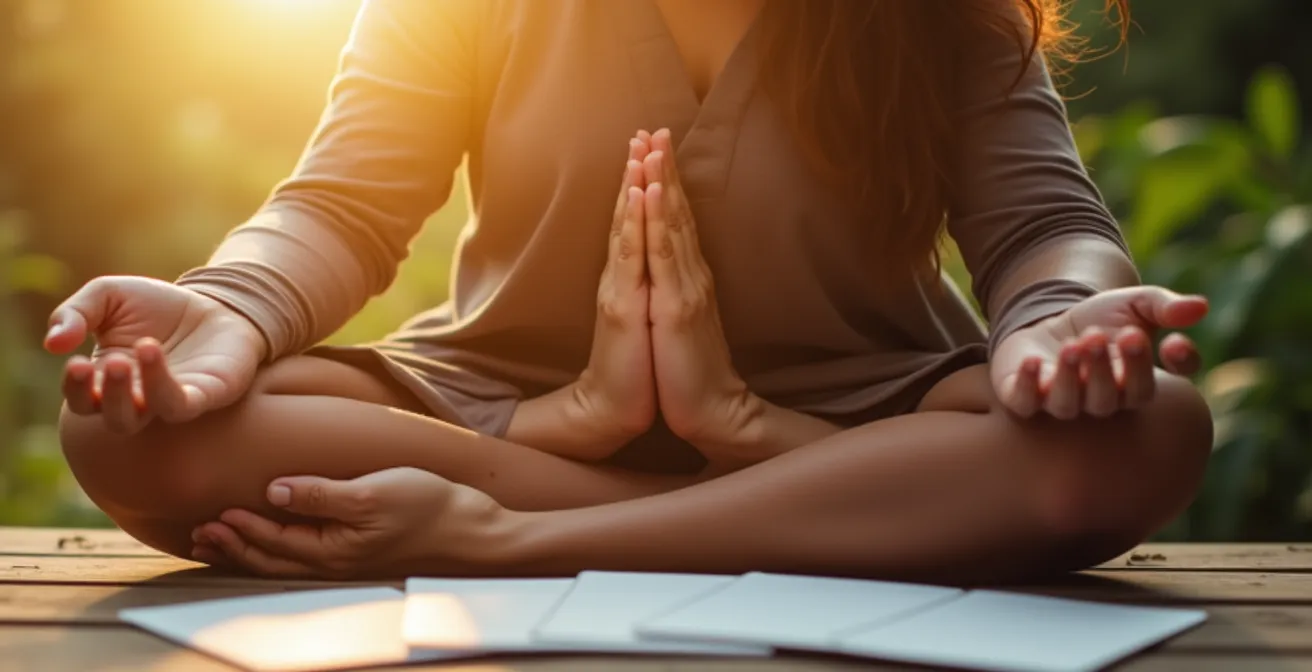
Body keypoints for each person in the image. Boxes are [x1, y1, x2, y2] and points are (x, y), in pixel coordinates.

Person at [47, 0, 1213, 584]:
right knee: (138, 435)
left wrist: (1058, 321)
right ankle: (742, 493)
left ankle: (511, 536)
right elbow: (344, 205)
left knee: (1140, 430)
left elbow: (1045, 231)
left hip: (862, 413)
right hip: (511, 405)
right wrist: (231, 304)